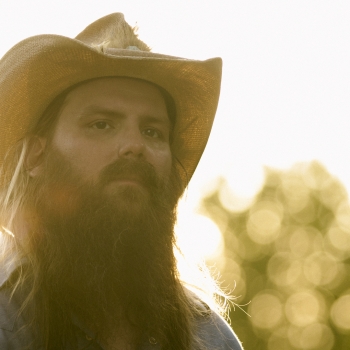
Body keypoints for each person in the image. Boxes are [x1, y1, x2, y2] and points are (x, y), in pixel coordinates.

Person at [0, 13, 243, 350]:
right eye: (102, 124)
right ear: (36, 156)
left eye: (152, 131)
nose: (135, 146)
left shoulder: (211, 339)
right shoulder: (7, 320)